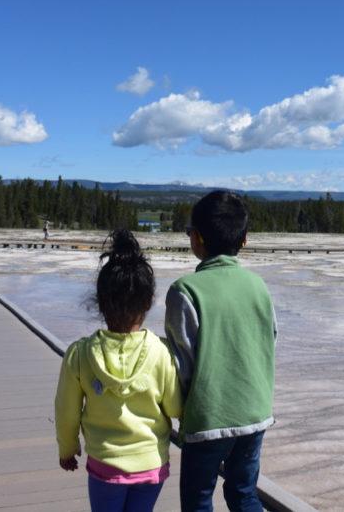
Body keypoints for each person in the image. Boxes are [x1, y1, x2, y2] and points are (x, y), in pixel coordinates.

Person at [55, 230, 183, 512]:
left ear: (100, 302)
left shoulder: (79, 354)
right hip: (151, 463)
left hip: (106, 465)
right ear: (148, 302)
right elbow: (174, 407)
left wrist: (67, 448)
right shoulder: (161, 352)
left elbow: (66, 412)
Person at [165, 191, 277, 512]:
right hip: (255, 412)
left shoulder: (185, 290)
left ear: (197, 238)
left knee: (199, 499)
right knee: (244, 494)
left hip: (207, 416)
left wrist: (176, 412)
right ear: (244, 240)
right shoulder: (259, 286)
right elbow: (269, 340)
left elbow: (180, 363)